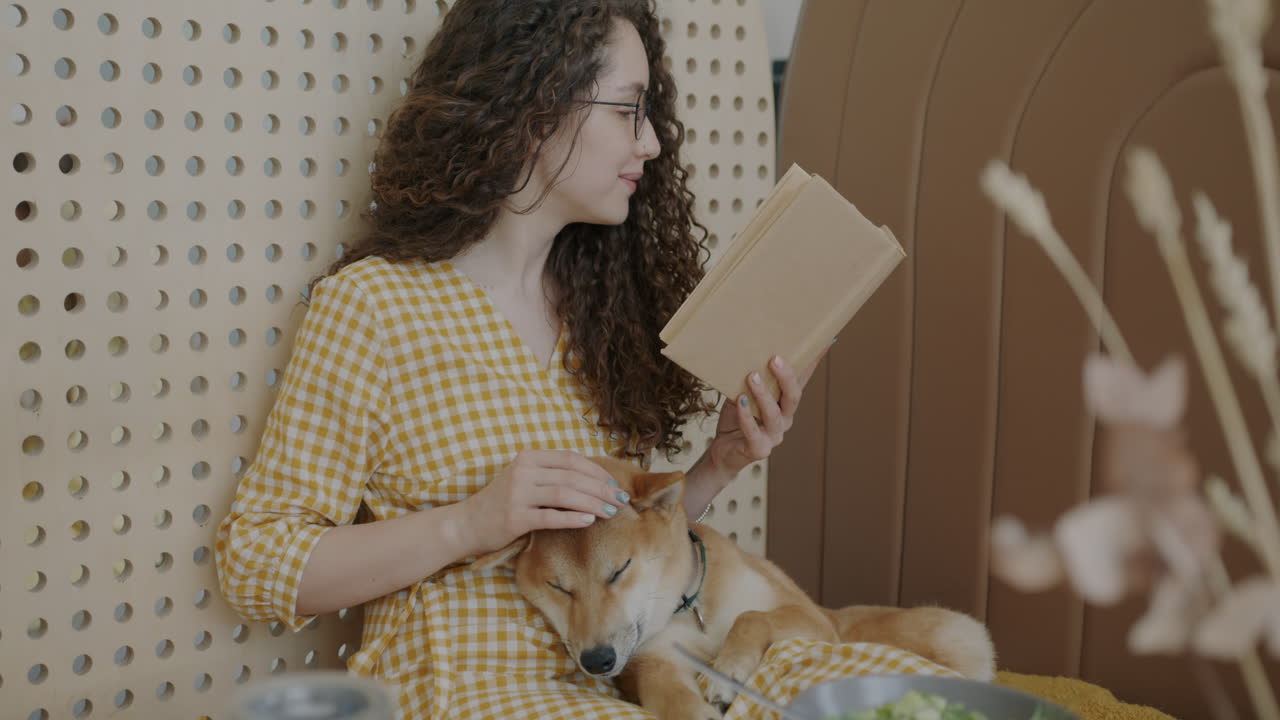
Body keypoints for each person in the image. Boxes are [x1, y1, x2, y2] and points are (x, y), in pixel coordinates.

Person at [215, 1, 947, 718]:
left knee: (912, 691)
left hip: (627, 677)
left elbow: (613, 552)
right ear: (536, 108)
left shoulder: (600, 314)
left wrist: (719, 464)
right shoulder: (374, 308)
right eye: (629, 111)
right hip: (473, 688)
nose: (652, 143)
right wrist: (471, 523)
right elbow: (255, 561)